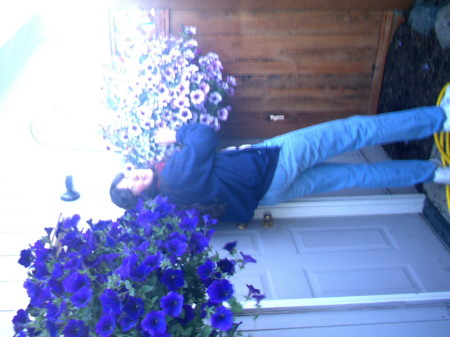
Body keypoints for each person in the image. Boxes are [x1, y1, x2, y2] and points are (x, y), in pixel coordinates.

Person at [110, 87, 450, 222]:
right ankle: (441, 118)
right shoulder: (173, 175)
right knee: (355, 132)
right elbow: (204, 135)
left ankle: (433, 173)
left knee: (355, 175)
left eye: (127, 176)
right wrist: (175, 134)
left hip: (270, 193)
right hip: (274, 164)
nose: (134, 178)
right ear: (140, 197)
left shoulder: (172, 207)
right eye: (131, 187)